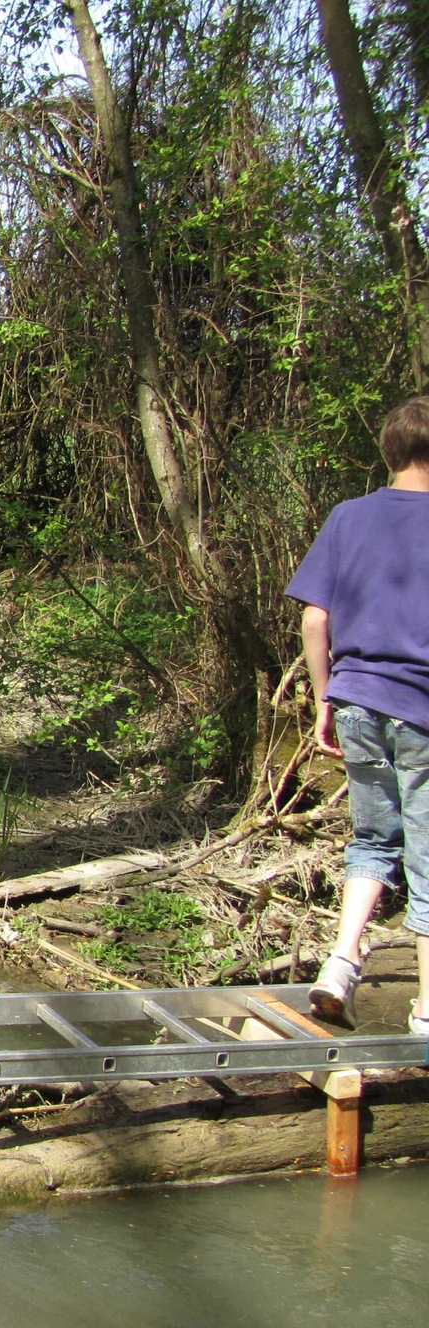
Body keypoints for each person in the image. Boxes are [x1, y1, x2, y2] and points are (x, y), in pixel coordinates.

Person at [287, 395, 429, 1035]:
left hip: (357, 701)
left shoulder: (349, 516)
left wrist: (325, 696)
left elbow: (315, 619)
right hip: (421, 708)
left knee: (373, 838)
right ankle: (427, 1009)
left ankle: (341, 963)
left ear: (388, 451)